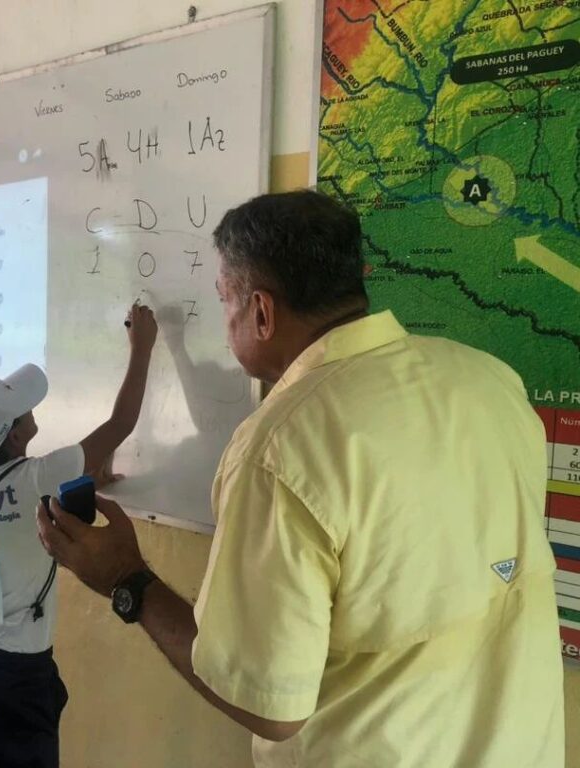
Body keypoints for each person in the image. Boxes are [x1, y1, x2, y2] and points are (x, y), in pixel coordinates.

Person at [36, 190, 565, 768]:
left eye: (224, 299)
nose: (224, 319)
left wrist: (125, 577)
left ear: (261, 312)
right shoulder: (489, 379)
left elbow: (270, 706)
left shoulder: (282, 446)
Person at [0, 302, 158, 768]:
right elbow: (121, 424)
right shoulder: (37, 479)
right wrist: (142, 347)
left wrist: (87, 474)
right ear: (14, 437)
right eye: (21, 409)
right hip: (16, 674)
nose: (29, 408)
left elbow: (11, 502)